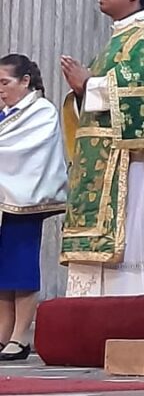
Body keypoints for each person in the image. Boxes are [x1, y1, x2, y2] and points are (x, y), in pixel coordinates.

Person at [59, 0, 144, 296]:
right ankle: (88, 317)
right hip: (101, 158)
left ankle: (125, 308)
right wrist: (83, 90)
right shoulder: (118, 40)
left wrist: (89, 85)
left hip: (131, 160)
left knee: (127, 238)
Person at [0, 55, 67, 361]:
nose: (1, 90)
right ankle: (3, 333)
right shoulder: (6, 114)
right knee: (3, 271)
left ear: (25, 81)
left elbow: (26, 152)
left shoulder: (41, 111)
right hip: (4, 199)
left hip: (24, 200)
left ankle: (21, 335)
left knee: (20, 267)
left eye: (5, 83)